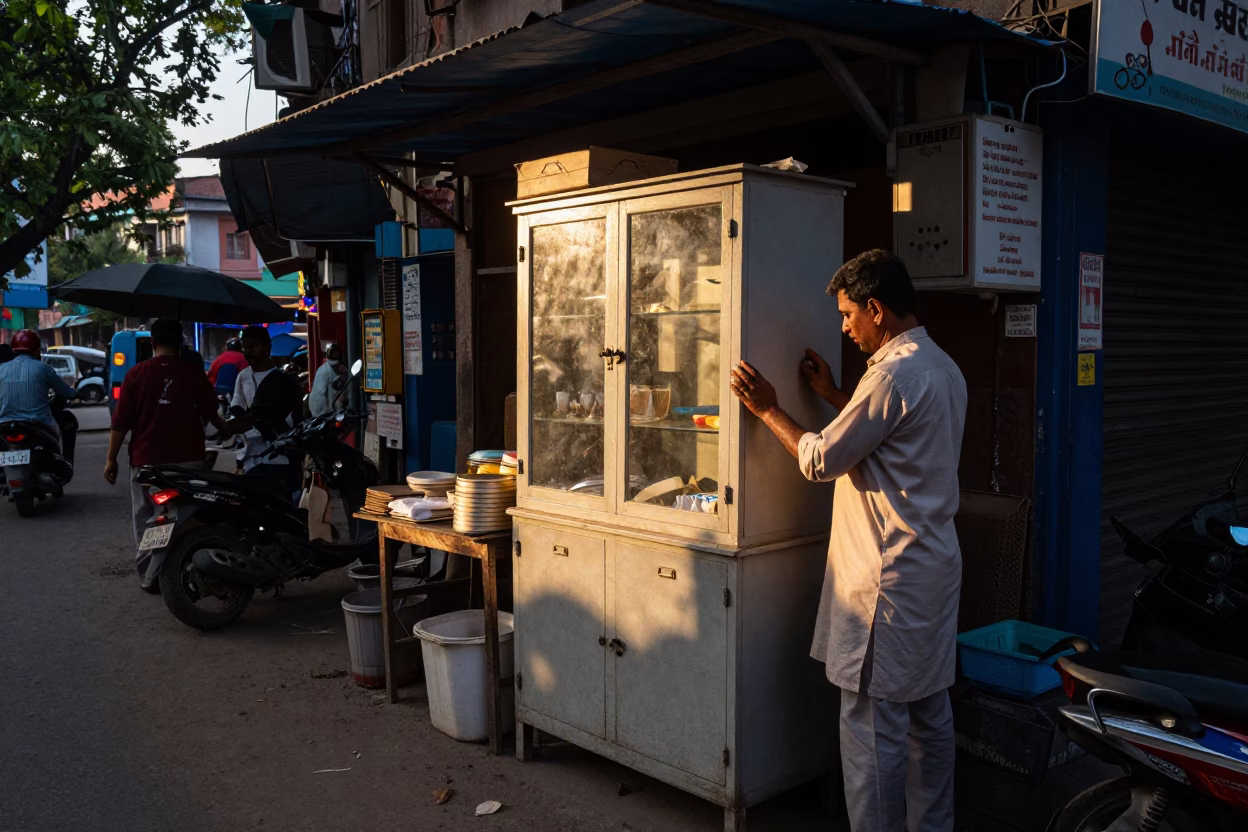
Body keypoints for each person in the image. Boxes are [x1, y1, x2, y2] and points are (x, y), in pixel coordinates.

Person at [728, 250, 967, 832]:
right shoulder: (942, 367)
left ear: (876, 310)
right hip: (933, 574)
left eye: (847, 314)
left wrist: (769, 409)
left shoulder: (887, 375)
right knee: (929, 721)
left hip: (887, 584)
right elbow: (895, 433)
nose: (843, 326)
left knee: (873, 734)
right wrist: (837, 397)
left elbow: (821, 458)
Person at [104, 319, 231, 591]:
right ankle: (179, 563)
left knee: (144, 514)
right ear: (182, 344)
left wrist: (111, 459)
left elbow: (120, 423)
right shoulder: (194, 373)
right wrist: (229, 430)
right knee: (190, 513)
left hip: (147, 461)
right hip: (188, 461)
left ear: (152, 342)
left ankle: (147, 567)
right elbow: (214, 417)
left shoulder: (135, 374)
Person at [226, 325, 305, 501]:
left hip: (280, 460)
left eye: (252, 346)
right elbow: (237, 406)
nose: (248, 352)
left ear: (267, 347)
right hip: (251, 458)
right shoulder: (243, 376)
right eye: (245, 347)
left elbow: (295, 421)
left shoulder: (284, 382)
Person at [0, 330, 77, 460]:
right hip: (37, 424)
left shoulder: (1, 369)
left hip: (5, 425)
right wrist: (74, 393)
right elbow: (67, 392)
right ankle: (67, 462)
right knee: (69, 421)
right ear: (36, 350)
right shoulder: (43, 368)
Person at [308, 343, 348, 417]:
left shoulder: (326, 369)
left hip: (323, 410)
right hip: (322, 411)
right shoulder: (325, 371)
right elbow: (322, 395)